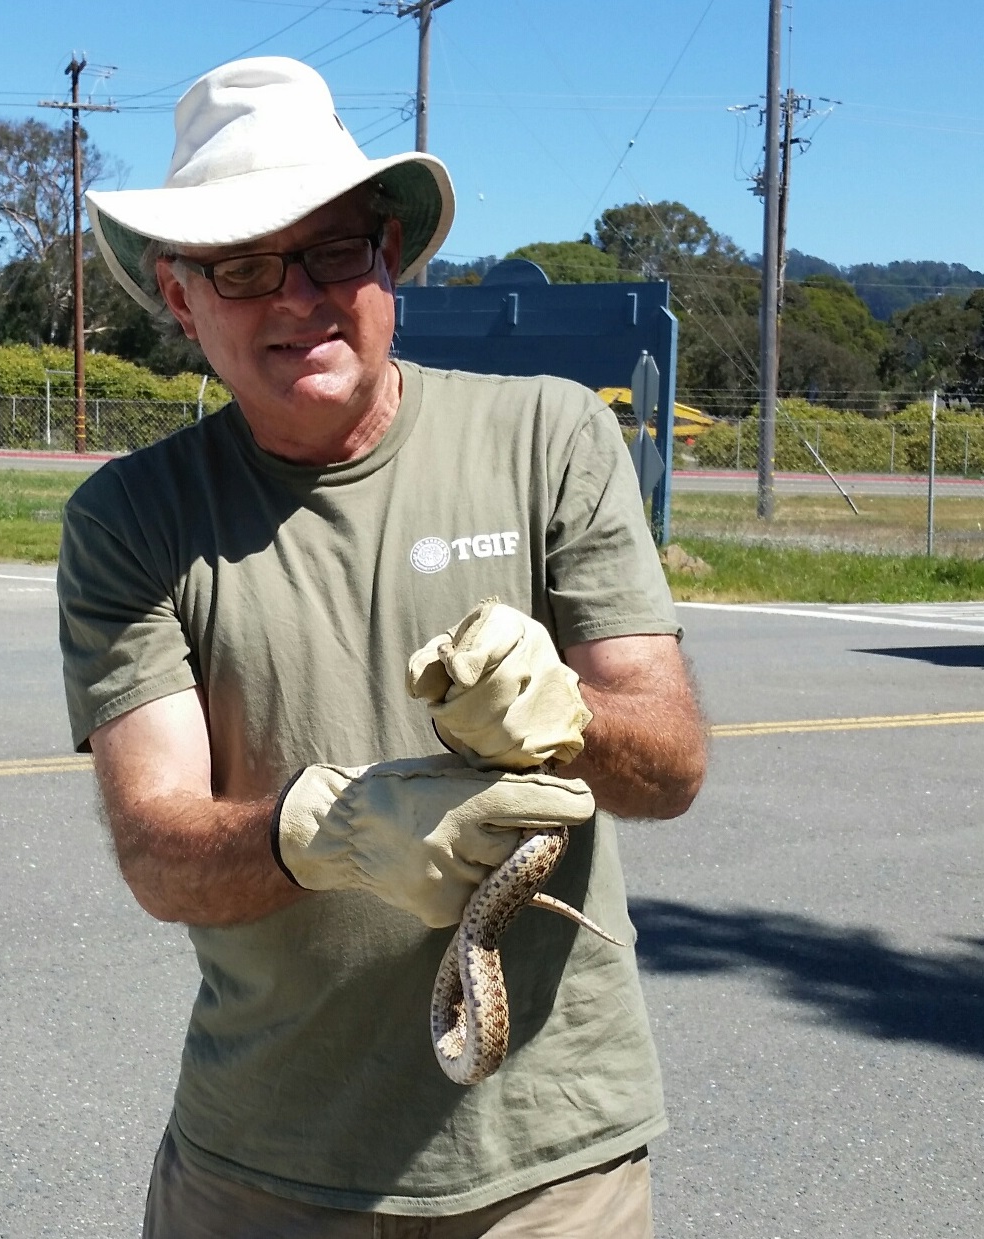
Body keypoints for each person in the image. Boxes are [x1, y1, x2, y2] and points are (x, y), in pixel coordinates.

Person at [58, 55, 707, 1238]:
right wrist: (327, 830)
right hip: (259, 1167)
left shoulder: (549, 435)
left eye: (333, 251)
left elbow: (667, 763)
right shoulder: (132, 519)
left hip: (549, 1174)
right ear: (177, 293)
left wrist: (570, 717)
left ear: (389, 258)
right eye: (242, 264)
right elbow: (157, 853)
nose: (295, 295)